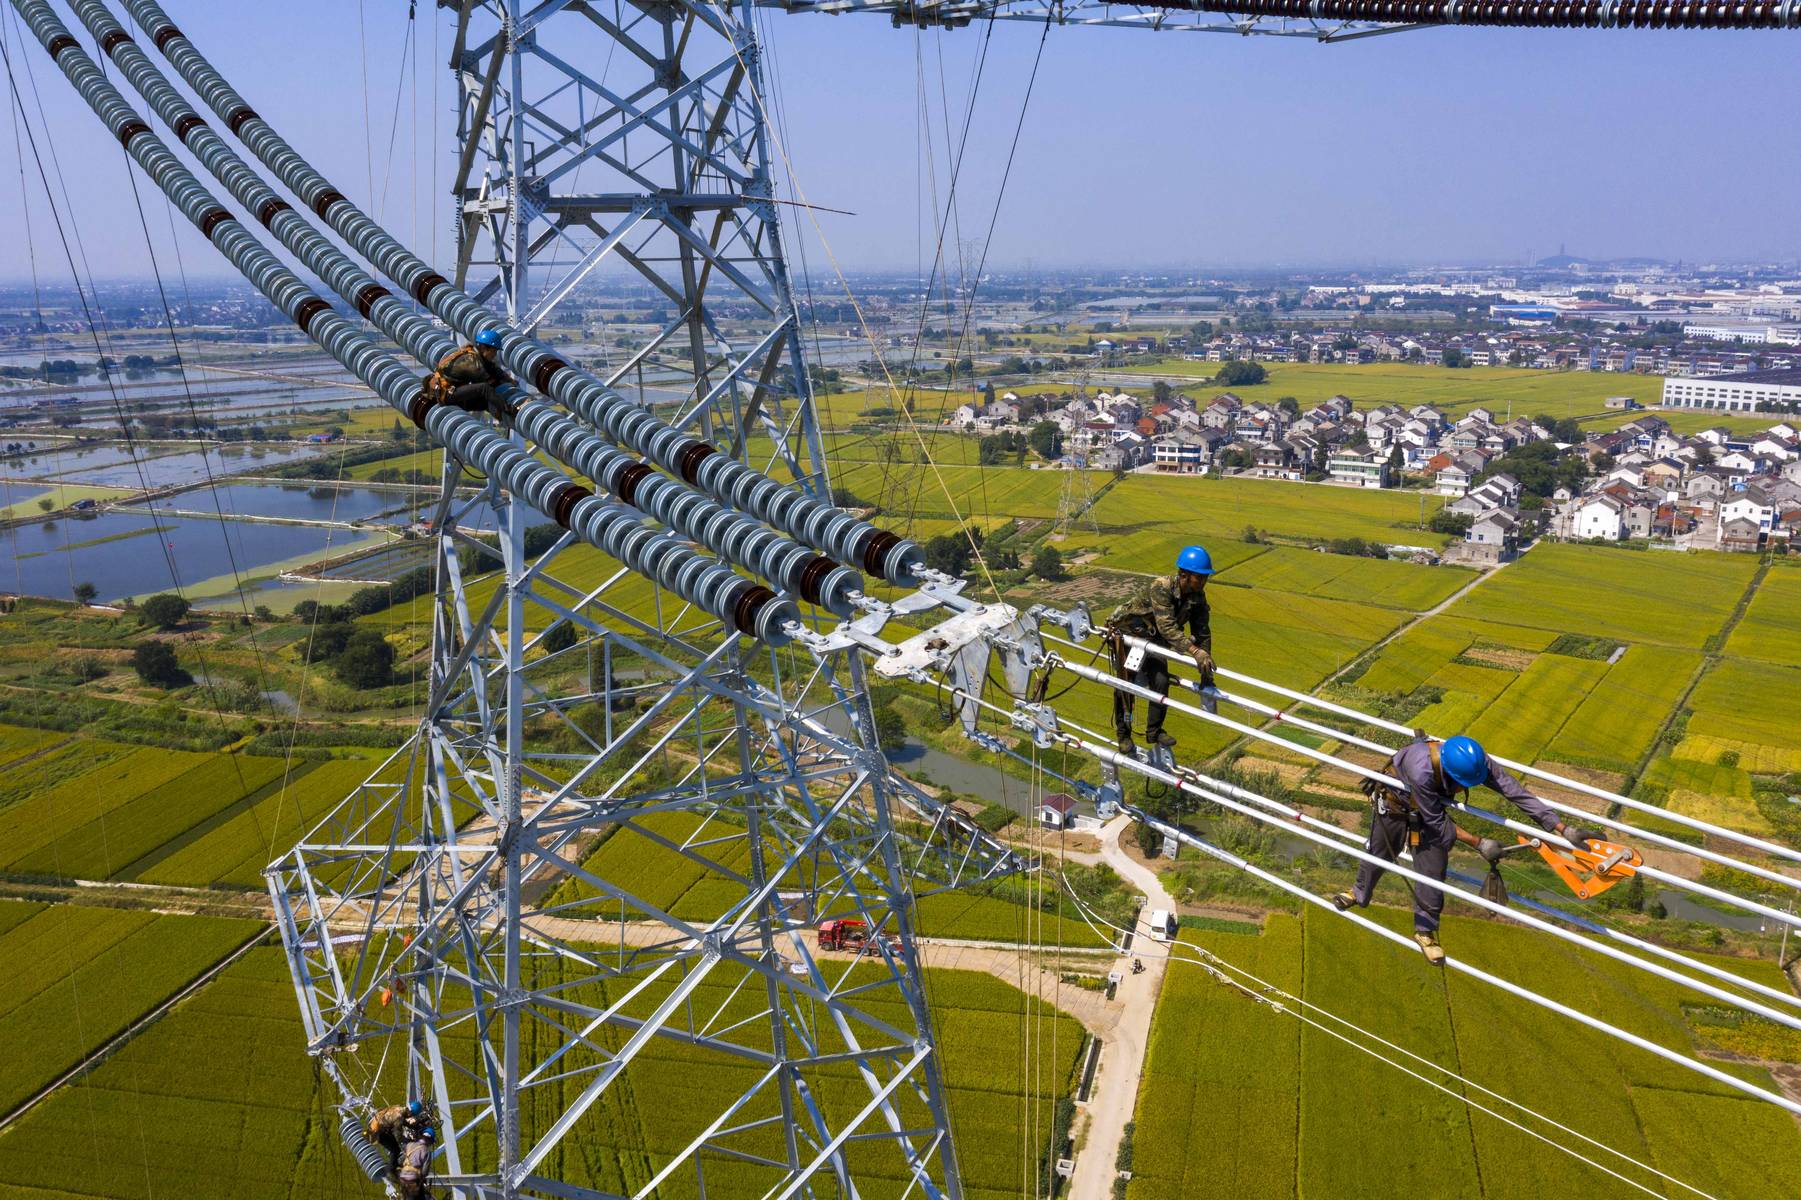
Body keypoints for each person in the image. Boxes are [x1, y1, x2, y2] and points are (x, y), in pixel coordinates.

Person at [1330, 734, 1606, 964]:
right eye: (1462, 784)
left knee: (1433, 868)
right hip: (1396, 802)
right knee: (1380, 851)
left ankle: (1425, 931)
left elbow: (1514, 791)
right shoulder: (1421, 769)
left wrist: (1560, 827)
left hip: (1431, 803)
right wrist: (1479, 842)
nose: (1464, 788)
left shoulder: (1476, 761)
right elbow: (1437, 822)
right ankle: (1360, 892)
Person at [1108, 544, 1215, 758]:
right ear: (1184, 575)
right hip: (1130, 634)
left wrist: (1206, 667)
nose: (1203, 581)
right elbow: (1167, 626)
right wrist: (1194, 651)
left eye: (1205, 577)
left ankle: (1154, 732)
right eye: (1199, 577)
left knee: (1160, 681)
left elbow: (1202, 630)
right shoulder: (1162, 587)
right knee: (1126, 684)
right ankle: (1124, 734)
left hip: (1155, 639)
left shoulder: (1197, 596)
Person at [427, 327, 517, 419]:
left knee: (484, 402)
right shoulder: (472, 362)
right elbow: (490, 383)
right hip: (447, 393)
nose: (494, 354)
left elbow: (493, 368)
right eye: (493, 351)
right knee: (485, 389)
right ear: (484, 348)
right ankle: (511, 411)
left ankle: (500, 413)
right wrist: (507, 387)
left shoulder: (476, 355)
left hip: (451, 390)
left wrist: (509, 380)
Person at [395, 1125, 435, 1200]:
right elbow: (424, 1172)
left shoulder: (409, 1145)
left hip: (402, 1178)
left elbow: (401, 1160)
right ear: (430, 1141)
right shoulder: (426, 1151)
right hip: (413, 1180)